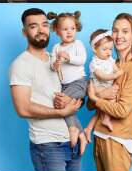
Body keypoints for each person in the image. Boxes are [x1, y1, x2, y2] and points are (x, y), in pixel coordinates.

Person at [9, 8, 83, 171]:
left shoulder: (55, 59)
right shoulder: (21, 64)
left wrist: (79, 130)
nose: (41, 30)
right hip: (48, 146)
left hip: (72, 142)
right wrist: (62, 112)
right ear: (24, 32)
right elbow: (23, 108)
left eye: (44, 25)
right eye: (33, 26)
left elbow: (73, 90)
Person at [86, 13, 132, 171]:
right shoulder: (112, 64)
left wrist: (96, 97)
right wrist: (100, 95)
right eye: (115, 30)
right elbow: (89, 105)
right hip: (100, 136)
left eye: (125, 31)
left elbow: (121, 110)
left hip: (117, 141)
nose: (119, 36)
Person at [47, 11, 88, 155]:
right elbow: (52, 64)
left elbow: (82, 60)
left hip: (79, 83)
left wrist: (69, 57)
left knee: (61, 103)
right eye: (65, 29)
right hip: (65, 85)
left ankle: (73, 129)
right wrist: (55, 65)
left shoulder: (78, 44)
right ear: (57, 31)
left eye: (72, 28)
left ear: (76, 28)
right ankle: (82, 135)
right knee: (62, 105)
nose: (69, 32)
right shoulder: (56, 48)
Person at [84, 29, 124, 142]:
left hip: (107, 86)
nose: (108, 52)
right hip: (98, 86)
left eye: (110, 49)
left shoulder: (110, 60)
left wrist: (119, 71)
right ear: (94, 49)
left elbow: (117, 69)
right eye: (104, 49)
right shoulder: (94, 63)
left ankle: (88, 128)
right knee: (108, 100)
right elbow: (101, 76)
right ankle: (105, 119)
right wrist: (115, 75)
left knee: (101, 109)